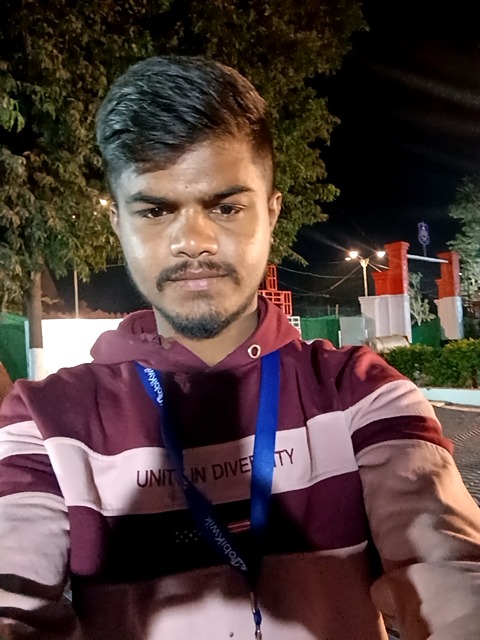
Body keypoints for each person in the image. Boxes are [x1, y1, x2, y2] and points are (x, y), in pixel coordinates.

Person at [1, 55, 480, 640]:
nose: (193, 241)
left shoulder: (362, 393)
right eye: (155, 210)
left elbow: (449, 562)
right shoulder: (46, 423)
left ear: (272, 213)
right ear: (119, 225)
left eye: (226, 207)